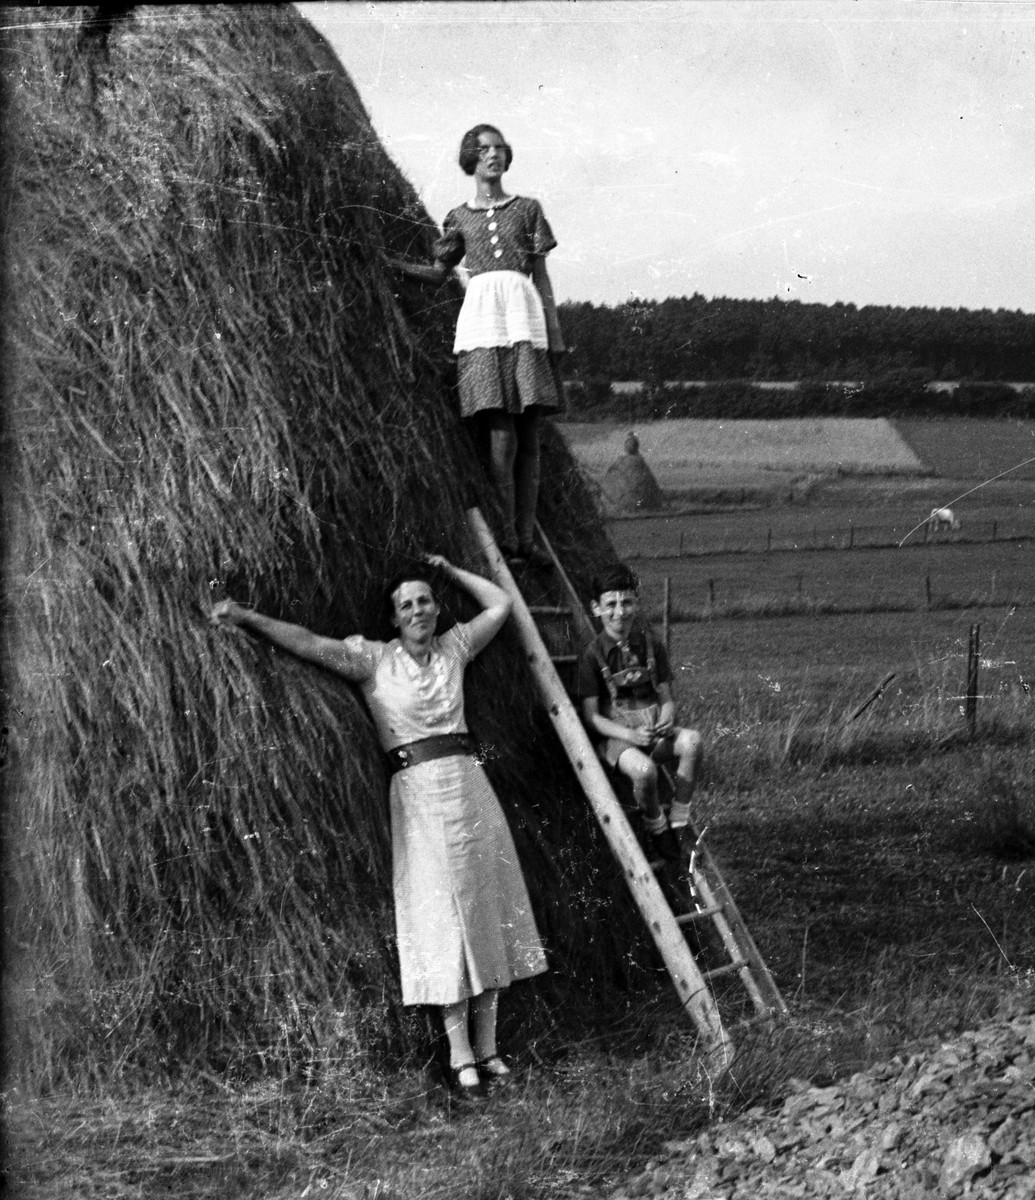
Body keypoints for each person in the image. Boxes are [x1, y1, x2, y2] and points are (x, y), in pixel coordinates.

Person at [209, 554, 547, 1099]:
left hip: (470, 786)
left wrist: (449, 570)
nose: (417, 611)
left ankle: (488, 1048)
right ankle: (461, 1055)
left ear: (437, 609)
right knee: (441, 917)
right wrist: (248, 617)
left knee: (487, 907)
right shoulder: (373, 661)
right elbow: (306, 642)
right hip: (417, 794)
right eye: (406, 604)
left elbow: (501, 604)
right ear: (392, 618)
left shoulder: (456, 648)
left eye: (425, 601)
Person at [395, 124, 564, 567]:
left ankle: (525, 538)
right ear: (471, 158)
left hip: (524, 319)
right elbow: (438, 273)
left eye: (499, 148)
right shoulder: (458, 218)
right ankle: (508, 535)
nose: (493, 155)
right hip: (483, 323)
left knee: (529, 434)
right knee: (499, 434)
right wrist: (392, 264)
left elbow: (541, 276)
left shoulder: (528, 210)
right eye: (484, 149)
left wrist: (555, 332)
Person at [576, 565, 704, 861]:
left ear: (636, 603)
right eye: (611, 604)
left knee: (693, 741)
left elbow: (667, 698)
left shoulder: (651, 646)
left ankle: (679, 820)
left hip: (652, 733)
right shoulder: (592, 656)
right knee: (645, 773)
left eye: (627, 602)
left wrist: (667, 717)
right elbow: (591, 717)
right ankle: (656, 825)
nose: (620, 612)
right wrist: (630, 734)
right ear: (596, 608)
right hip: (618, 740)